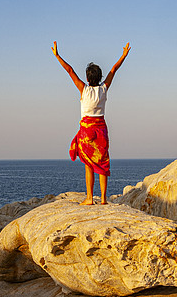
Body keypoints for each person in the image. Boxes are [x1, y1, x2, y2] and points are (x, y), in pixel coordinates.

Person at [52, 41, 131, 205]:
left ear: (87, 78)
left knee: (89, 164)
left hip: (87, 131)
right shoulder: (104, 89)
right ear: (100, 77)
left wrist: (57, 55)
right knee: (103, 164)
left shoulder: (84, 89)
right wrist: (123, 55)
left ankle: (89, 198)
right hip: (101, 130)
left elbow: (69, 70)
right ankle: (103, 199)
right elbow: (114, 70)